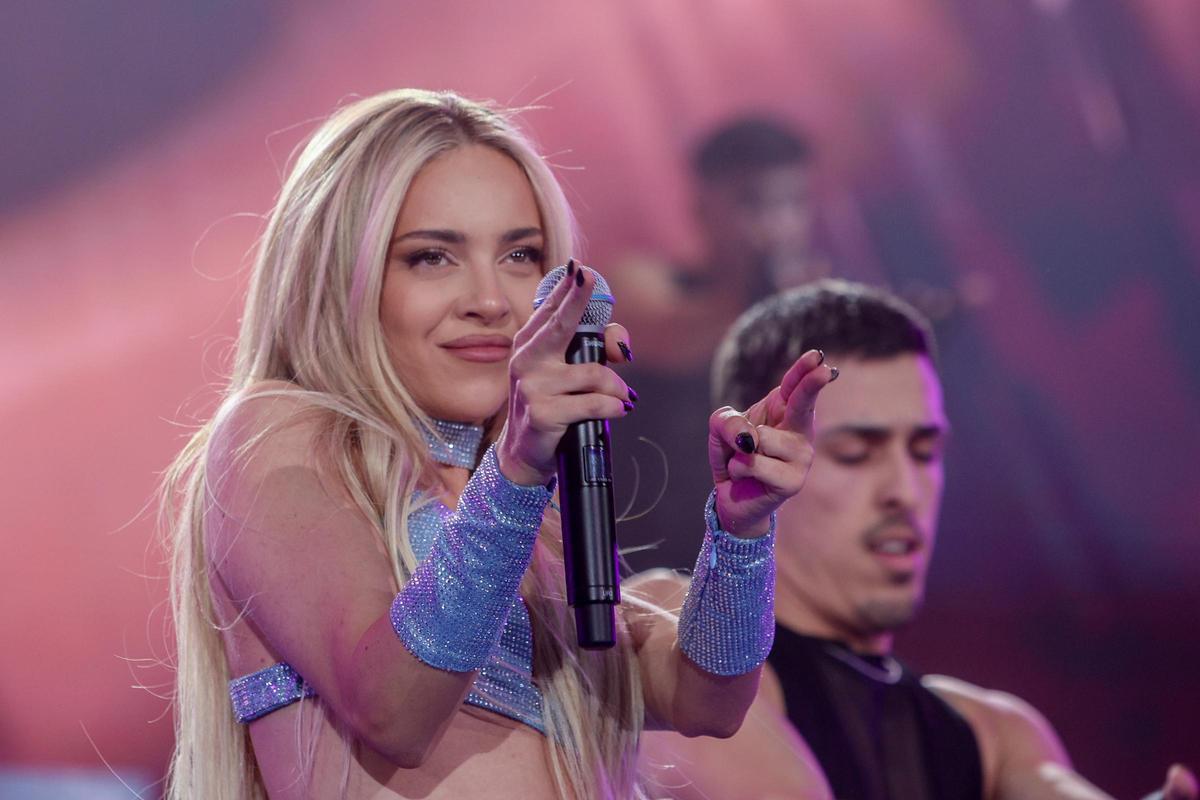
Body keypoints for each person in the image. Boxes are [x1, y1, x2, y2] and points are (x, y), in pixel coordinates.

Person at [160, 88, 836, 800]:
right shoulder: (283, 432)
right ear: (339, 276)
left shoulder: (543, 522)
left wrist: (742, 531)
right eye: (431, 258)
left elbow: (708, 702)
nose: (490, 299)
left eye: (520, 255)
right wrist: (515, 470)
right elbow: (393, 707)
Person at [636, 279, 1197, 800]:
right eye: (857, 452)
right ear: (755, 453)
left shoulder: (994, 735)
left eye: (924, 452)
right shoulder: (669, 634)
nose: (905, 490)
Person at [609, 115, 828, 575]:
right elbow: (666, 337)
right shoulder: (649, 283)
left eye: (793, 203)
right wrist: (770, 297)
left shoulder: (812, 308)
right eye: (753, 204)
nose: (778, 225)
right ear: (703, 210)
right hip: (652, 561)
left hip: (772, 563)